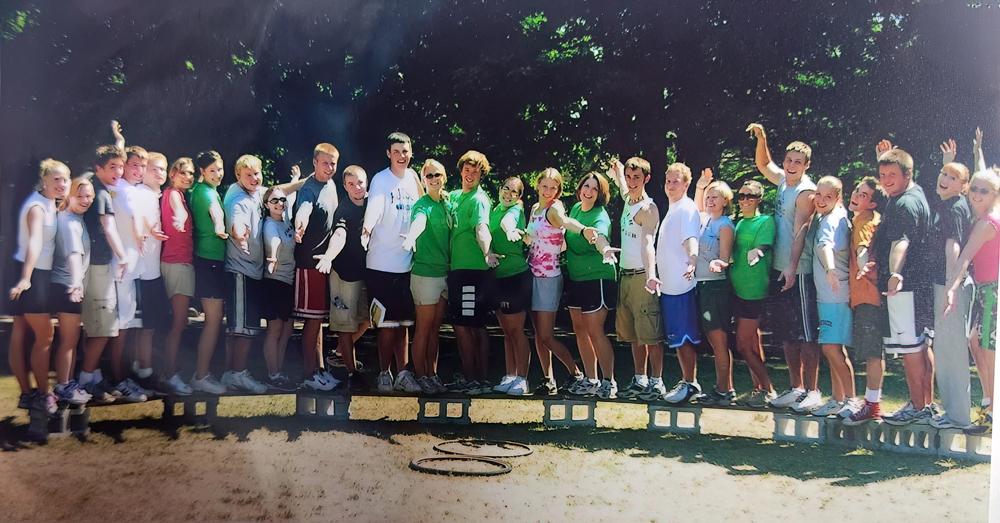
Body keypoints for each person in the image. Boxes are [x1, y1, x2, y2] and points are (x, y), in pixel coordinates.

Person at [746, 123, 822, 412]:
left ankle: (812, 391)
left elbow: (801, 230)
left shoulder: (805, 192)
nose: (790, 165)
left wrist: (791, 268)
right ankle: (795, 388)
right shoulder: (783, 181)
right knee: (787, 335)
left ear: (806, 165)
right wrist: (763, 137)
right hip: (779, 269)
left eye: (797, 162)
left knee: (805, 334)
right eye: (788, 160)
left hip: (798, 271)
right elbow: (763, 163)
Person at [872, 148, 935, 425]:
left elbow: (902, 241)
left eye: (892, 175)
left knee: (910, 349)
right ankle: (925, 405)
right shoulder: (911, 195)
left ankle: (918, 408)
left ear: (907, 174)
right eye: (882, 174)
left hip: (904, 288)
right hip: (914, 286)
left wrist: (895, 274)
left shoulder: (904, 204)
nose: (886, 180)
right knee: (920, 346)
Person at [9, 159, 70, 414]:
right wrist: (26, 278)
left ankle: (27, 394)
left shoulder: (48, 203)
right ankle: (44, 395)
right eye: (56, 179)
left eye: (65, 179)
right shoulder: (37, 207)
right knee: (45, 335)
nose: (62, 184)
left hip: (30, 271)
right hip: (32, 274)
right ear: (44, 179)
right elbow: (34, 242)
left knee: (21, 330)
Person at [362, 133, 421, 393]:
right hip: (380, 265)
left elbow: (425, 207)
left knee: (404, 325)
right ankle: (384, 373)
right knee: (385, 325)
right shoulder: (380, 179)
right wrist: (367, 228)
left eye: (405, 151)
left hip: (407, 265)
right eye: (396, 151)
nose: (402, 155)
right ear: (388, 153)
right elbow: (374, 206)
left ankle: (404, 374)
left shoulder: (414, 178)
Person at [943, 168, 1000, 435]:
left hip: (991, 292)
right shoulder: (986, 218)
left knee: (987, 349)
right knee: (976, 344)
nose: (977, 194)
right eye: (973, 189)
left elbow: (964, 257)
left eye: (983, 191)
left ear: (994, 195)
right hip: (984, 289)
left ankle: (991, 413)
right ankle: (989, 405)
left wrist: (951, 288)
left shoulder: (986, 223)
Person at [605, 157, 664, 400]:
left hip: (642, 277)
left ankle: (657, 382)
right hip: (625, 276)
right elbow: (621, 185)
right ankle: (640, 379)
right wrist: (618, 171)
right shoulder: (629, 198)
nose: (631, 182)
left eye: (636, 177)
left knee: (651, 333)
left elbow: (648, 243)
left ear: (647, 179)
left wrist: (651, 276)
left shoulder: (648, 209)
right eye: (629, 177)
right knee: (633, 334)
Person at [926, 153, 976, 429]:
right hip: (945, 285)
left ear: (963, 187)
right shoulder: (948, 204)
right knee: (944, 349)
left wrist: (950, 287)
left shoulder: (955, 207)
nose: (944, 179)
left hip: (950, 285)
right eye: (944, 173)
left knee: (952, 351)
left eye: (953, 177)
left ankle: (958, 418)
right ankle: (953, 414)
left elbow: (953, 247)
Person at [78, 146, 131, 402]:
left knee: (97, 326)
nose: (118, 171)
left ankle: (95, 376)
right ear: (98, 169)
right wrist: (123, 257)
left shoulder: (99, 190)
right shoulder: (101, 196)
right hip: (99, 268)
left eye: (121, 166)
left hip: (95, 267)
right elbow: (109, 229)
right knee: (103, 328)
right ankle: (87, 380)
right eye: (112, 167)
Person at [525, 168, 584, 395]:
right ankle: (548, 380)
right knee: (538, 335)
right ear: (538, 185)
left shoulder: (555, 208)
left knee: (547, 335)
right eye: (545, 186)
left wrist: (582, 230)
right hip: (531, 274)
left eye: (554, 188)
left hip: (549, 278)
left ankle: (576, 374)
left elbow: (563, 221)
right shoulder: (534, 209)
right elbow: (531, 238)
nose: (549, 191)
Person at [315, 165, 372, 392]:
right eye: (350, 184)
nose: (357, 187)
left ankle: (339, 352)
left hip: (367, 273)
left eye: (360, 182)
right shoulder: (344, 209)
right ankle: (352, 373)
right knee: (346, 326)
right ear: (345, 186)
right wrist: (328, 257)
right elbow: (340, 234)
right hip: (344, 274)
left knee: (369, 319)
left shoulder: (374, 203)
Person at [446, 150, 499, 394]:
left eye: (476, 171)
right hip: (458, 270)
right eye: (467, 169)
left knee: (468, 325)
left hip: (472, 272)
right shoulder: (455, 197)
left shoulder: (479, 200)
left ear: (481, 174)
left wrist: (488, 252)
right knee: (467, 323)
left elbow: (482, 229)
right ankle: (475, 378)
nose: (470, 174)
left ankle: (474, 379)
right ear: (461, 170)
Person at [564, 172, 620, 399]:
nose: (588, 191)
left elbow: (599, 237)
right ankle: (591, 379)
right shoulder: (576, 210)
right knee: (580, 331)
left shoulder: (600, 216)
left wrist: (605, 249)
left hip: (597, 278)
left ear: (600, 194)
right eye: (586, 186)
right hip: (576, 278)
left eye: (594, 189)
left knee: (595, 331)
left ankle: (609, 382)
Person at [292, 143, 341, 391]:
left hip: (324, 264)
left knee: (318, 320)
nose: (330, 168)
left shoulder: (331, 185)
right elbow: (304, 209)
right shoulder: (309, 188)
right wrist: (300, 224)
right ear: (315, 162)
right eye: (325, 163)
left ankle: (320, 370)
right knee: (311, 322)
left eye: (333, 163)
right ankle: (309, 374)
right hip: (308, 263)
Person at [653, 162, 702, 404]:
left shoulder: (687, 208)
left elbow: (690, 238)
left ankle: (690, 384)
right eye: (668, 181)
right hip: (669, 287)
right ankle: (687, 381)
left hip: (682, 286)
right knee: (677, 338)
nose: (671, 186)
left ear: (686, 184)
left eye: (676, 182)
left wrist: (692, 258)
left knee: (684, 338)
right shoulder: (673, 208)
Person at [221, 154, 270, 394]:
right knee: (243, 330)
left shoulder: (256, 192)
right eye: (248, 174)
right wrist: (240, 237)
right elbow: (237, 223)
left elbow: (278, 189)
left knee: (238, 328)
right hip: (241, 271)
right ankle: (238, 374)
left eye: (257, 173)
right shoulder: (238, 199)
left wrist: (303, 181)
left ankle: (231, 374)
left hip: (251, 272)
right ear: (238, 176)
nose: (254, 178)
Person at [104, 145, 151, 401]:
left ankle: (124, 378)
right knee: (120, 326)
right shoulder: (118, 188)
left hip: (132, 268)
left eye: (143, 166)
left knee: (128, 323)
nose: (139, 171)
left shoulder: (131, 190)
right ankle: (118, 379)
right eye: (135, 165)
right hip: (120, 267)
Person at [843, 177, 890, 426]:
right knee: (873, 352)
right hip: (870, 295)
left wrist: (863, 268)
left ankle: (872, 406)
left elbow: (861, 249)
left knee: (872, 353)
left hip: (867, 296)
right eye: (856, 190)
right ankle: (872, 403)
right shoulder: (872, 218)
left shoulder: (863, 219)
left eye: (863, 194)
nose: (856, 195)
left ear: (871, 202)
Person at [809, 176, 858, 418]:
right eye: (818, 194)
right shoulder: (827, 217)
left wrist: (829, 269)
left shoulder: (834, 221)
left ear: (838, 197)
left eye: (827, 196)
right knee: (832, 349)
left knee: (831, 348)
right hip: (828, 296)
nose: (821, 200)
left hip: (835, 296)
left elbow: (824, 246)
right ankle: (837, 399)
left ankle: (850, 400)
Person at [401, 159, 451, 394]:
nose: (433, 179)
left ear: (444, 177)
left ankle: (432, 374)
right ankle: (420, 375)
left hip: (444, 274)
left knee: (435, 329)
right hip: (425, 275)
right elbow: (419, 223)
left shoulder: (447, 203)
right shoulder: (421, 205)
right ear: (423, 180)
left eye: (437, 174)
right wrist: (411, 237)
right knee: (423, 328)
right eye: (429, 175)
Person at [729, 180, 778, 407]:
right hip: (737, 291)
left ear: (759, 199)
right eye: (741, 196)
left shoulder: (765, 221)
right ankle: (758, 388)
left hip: (753, 292)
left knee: (742, 345)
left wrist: (757, 251)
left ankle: (768, 389)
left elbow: (764, 246)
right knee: (753, 342)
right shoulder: (738, 224)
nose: (745, 200)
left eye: (750, 196)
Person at [692, 170, 736, 406]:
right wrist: (701, 186)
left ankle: (724, 390)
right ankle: (722, 388)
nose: (710, 200)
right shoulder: (704, 219)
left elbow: (726, 258)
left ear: (725, 201)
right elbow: (697, 206)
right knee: (711, 337)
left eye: (715, 197)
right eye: (708, 196)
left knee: (718, 339)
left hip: (716, 288)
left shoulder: (725, 225)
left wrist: (720, 263)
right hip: (701, 285)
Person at [187, 150, 229, 394]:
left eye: (220, 169)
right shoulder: (205, 193)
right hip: (208, 263)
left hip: (213, 262)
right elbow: (215, 213)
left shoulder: (208, 190)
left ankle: (203, 373)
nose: (218, 174)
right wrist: (220, 227)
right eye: (212, 170)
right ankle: (201, 375)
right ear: (202, 171)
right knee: (212, 322)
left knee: (214, 322)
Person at [50, 176, 94, 405]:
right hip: (67, 287)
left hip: (71, 286)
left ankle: (67, 383)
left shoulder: (75, 218)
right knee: (68, 340)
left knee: (73, 339)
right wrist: (76, 283)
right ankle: (63, 386)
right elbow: (73, 255)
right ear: (69, 196)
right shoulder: (68, 222)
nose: (85, 200)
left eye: (89, 196)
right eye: (80, 196)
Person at [488, 176, 532, 396]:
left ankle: (522, 379)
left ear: (519, 197)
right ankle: (510, 375)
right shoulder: (495, 210)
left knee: (516, 330)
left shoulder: (515, 211)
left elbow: (508, 224)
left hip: (516, 277)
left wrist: (509, 231)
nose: (508, 194)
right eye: (506, 189)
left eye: (514, 192)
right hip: (498, 276)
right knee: (506, 331)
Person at [133, 151, 171, 393]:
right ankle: (142, 372)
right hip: (142, 271)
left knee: (154, 325)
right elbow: (139, 218)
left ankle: (145, 369)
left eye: (163, 169)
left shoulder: (158, 196)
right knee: (146, 327)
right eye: (154, 168)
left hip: (155, 270)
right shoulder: (141, 194)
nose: (159, 173)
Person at [160, 157, 196, 395]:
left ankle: (168, 371)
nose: (188, 177)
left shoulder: (178, 195)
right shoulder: (173, 194)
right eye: (183, 172)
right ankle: (169, 374)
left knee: (176, 322)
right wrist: (180, 218)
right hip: (178, 263)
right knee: (178, 323)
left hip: (176, 263)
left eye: (191, 174)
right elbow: (177, 211)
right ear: (172, 174)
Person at [260, 186, 298, 392]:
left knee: (288, 328)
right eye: (274, 201)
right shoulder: (270, 225)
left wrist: (294, 181)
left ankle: (279, 370)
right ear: (266, 205)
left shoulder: (286, 221)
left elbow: (290, 196)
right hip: (273, 282)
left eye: (282, 200)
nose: (279, 204)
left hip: (289, 282)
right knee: (275, 329)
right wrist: (272, 257)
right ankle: (272, 374)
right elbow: (272, 241)